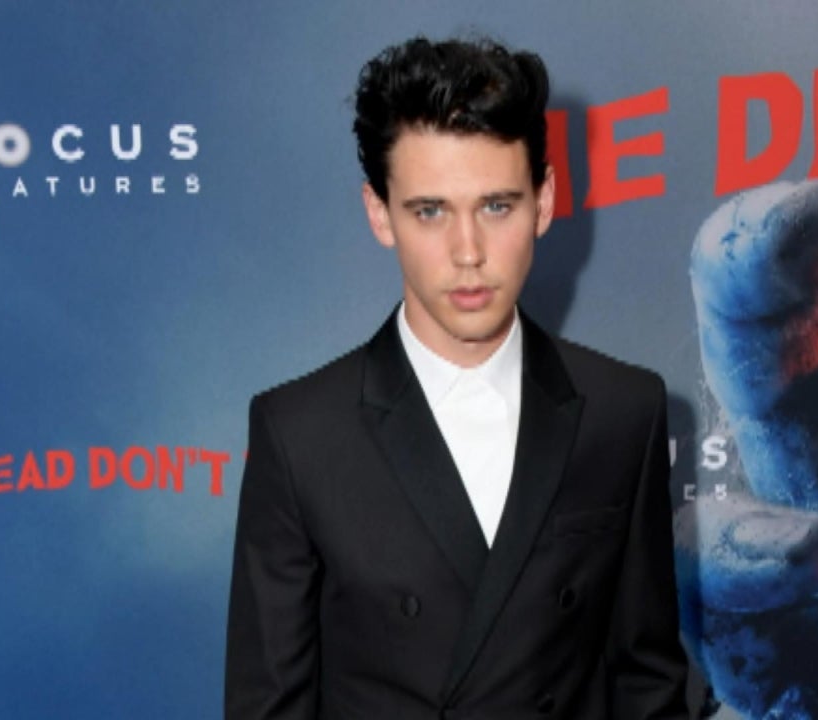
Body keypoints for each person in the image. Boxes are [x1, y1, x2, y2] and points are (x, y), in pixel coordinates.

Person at [225, 36, 689, 719]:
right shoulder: (300, 435)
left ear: (544, 201)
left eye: (497, 206)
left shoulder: (624, 411)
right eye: (430, 211)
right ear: (380, 213)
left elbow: (648, 688)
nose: (468, 252)